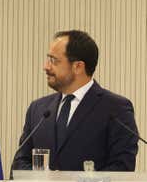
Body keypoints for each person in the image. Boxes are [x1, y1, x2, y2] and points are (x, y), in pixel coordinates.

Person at [11, 30, 138, 172]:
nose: (46, 67)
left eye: (54, 60)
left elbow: (122, 167)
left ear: (78, 67)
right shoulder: (38, 109)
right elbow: (20, 163)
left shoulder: (116, 109)